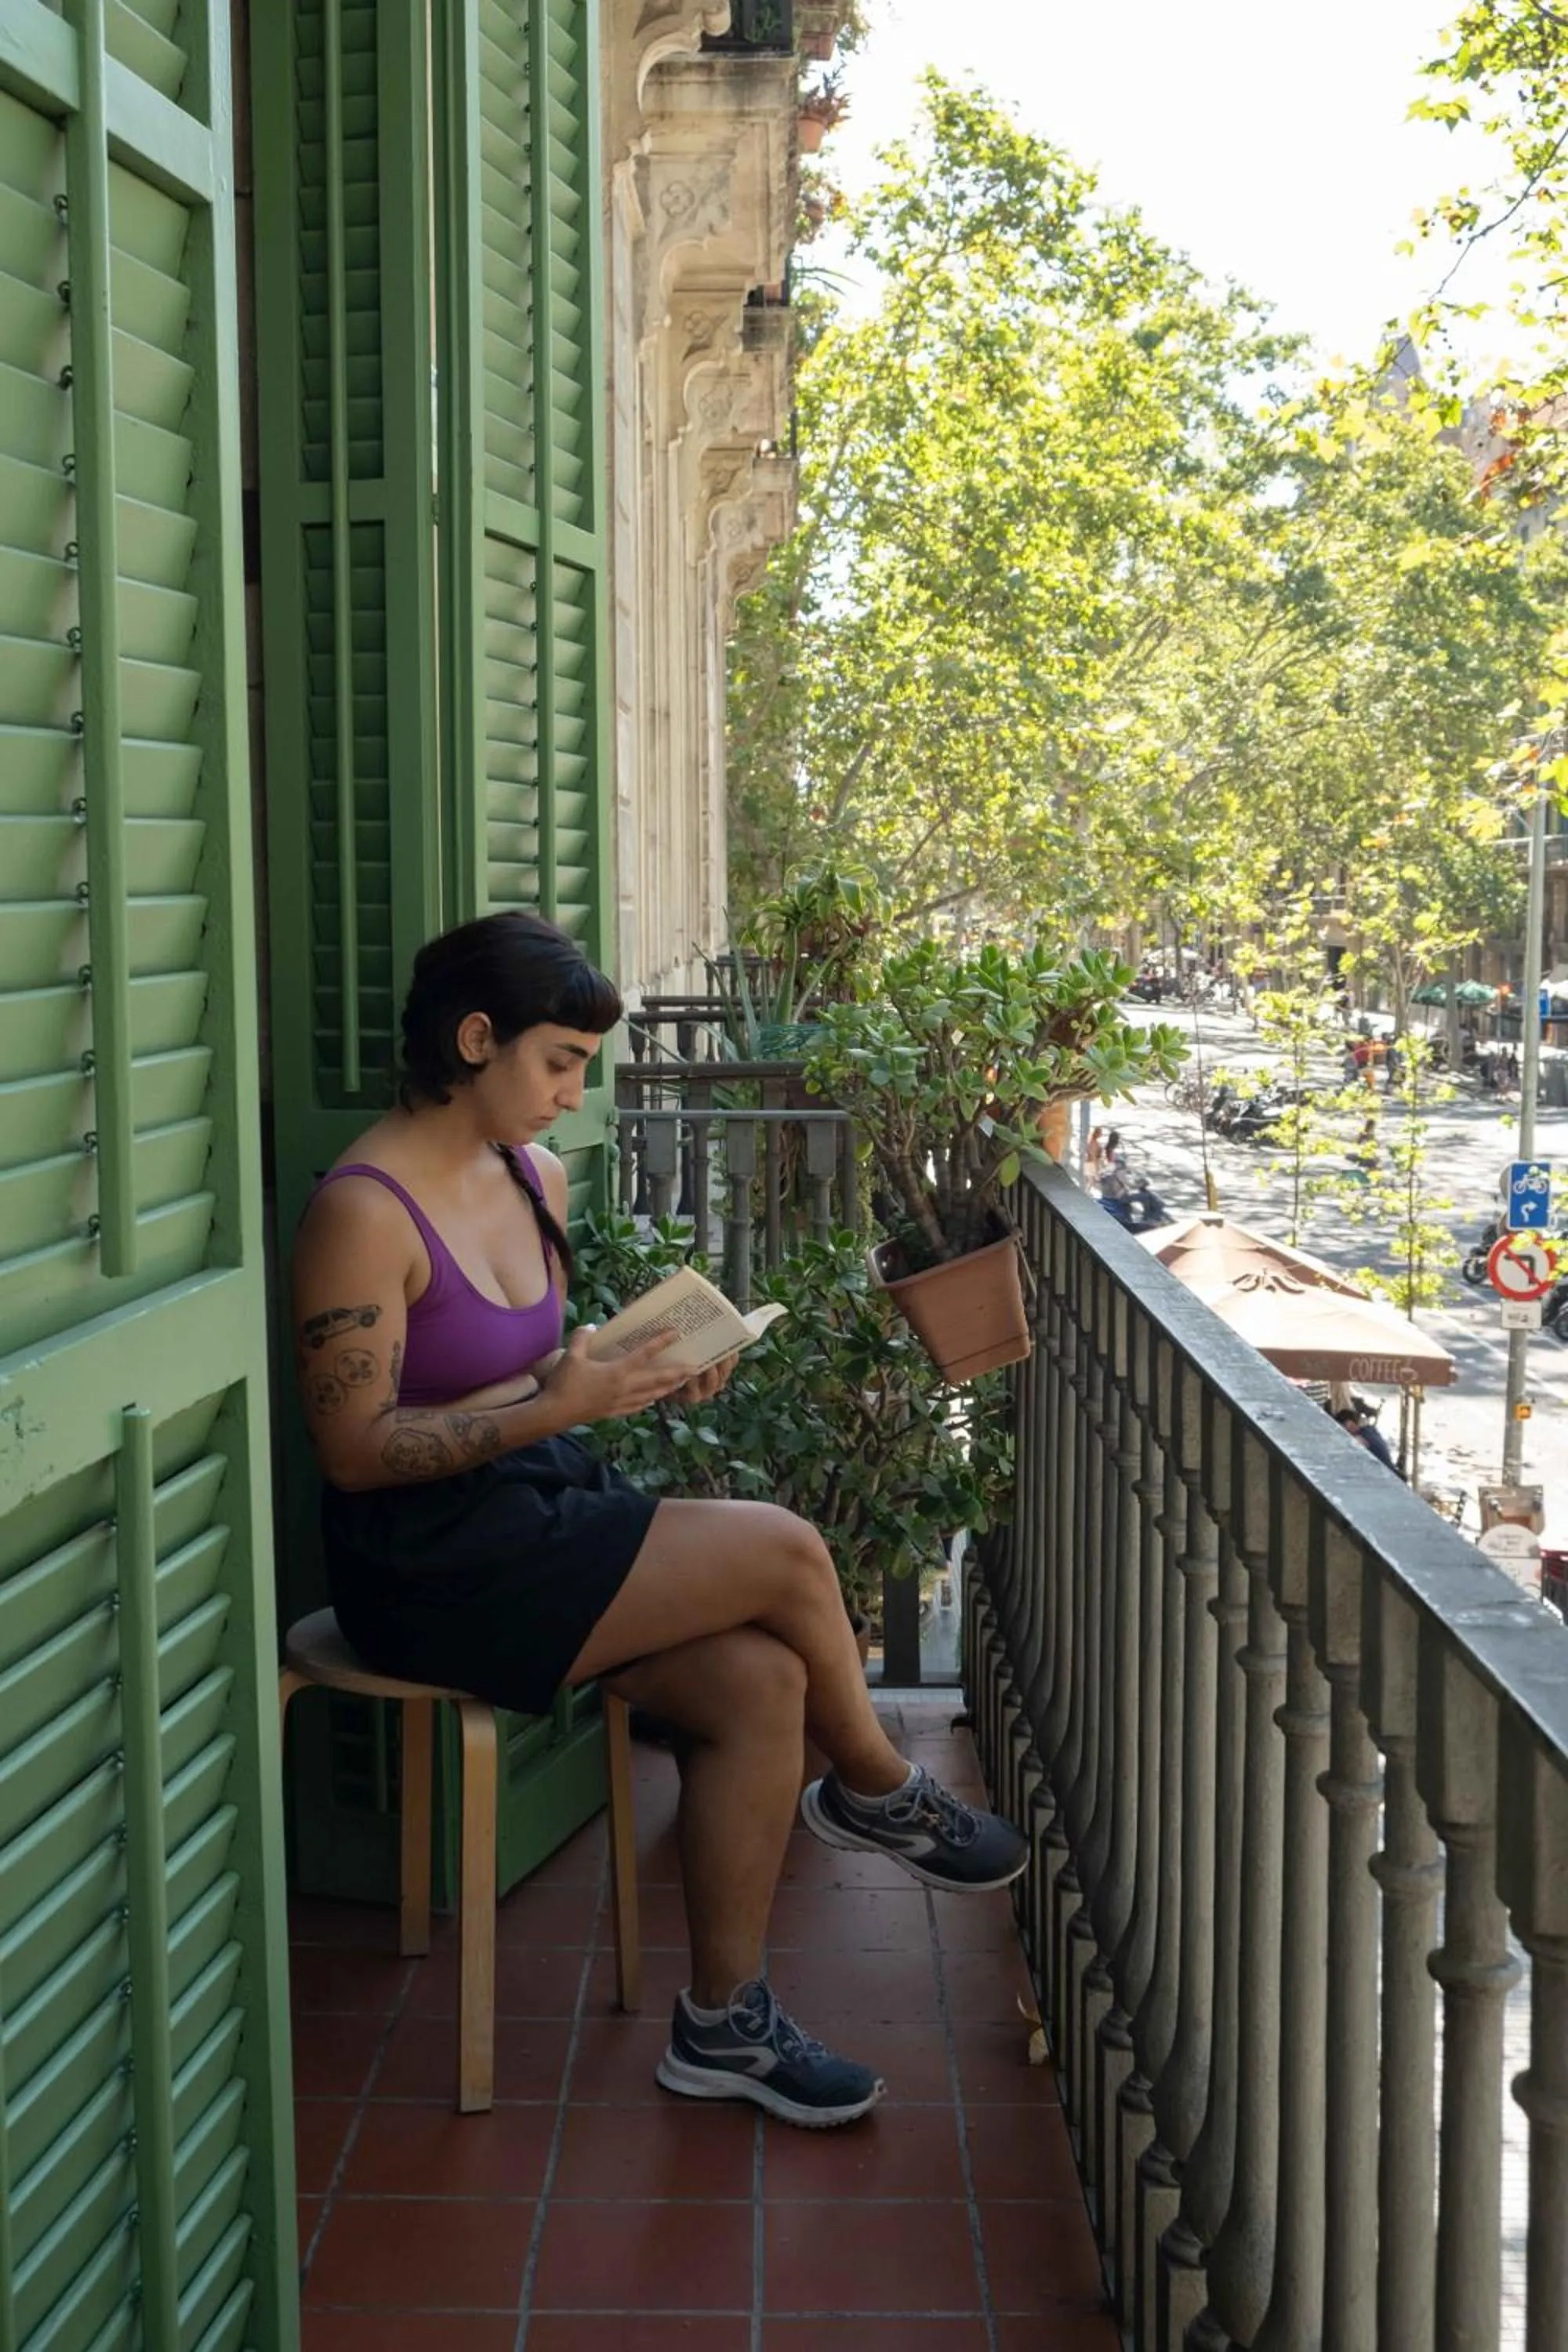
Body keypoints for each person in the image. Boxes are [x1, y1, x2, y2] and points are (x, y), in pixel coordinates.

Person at [291, 912, 1026, 2132]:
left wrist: (626, 1369)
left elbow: (522, 1378)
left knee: (757, 1684)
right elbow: (356, 1452)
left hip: (537, 1503)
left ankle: (724, 2025)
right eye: (558, 1062)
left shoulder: (532, 1177)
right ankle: (876, 1789)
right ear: (474, 1040)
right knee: (786, 1547)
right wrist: (557, 1407)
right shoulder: (362, 1212)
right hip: (423, 1564)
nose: (572, 1093)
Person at [1333, 1403, 1399, 1473]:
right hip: (1390, 1471)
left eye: (1343, 1427)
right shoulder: (1370, 1430)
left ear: (1351, 1424)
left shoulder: (1360, 1438)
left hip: (1385, 1474)